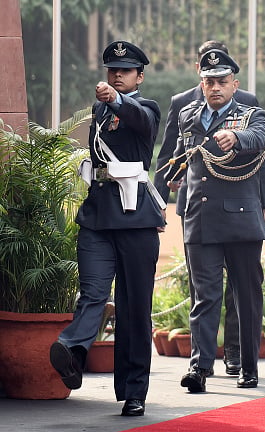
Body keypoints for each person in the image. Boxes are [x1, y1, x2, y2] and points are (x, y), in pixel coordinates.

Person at [49, 40, 164, 416]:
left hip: (134, 217)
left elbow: (139, 121)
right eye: (112, 70)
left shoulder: (145, 107)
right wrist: (109, 102)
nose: (116, 75)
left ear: (139, 76)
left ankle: (134, 391)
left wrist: (116, 100)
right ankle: (72, 351)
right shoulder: (100, 109)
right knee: (92, 292)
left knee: (133, 308)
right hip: (98, 212)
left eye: (125, 71)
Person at [153, 40, 265, 377]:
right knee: (204, 296)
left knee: (245, 297)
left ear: (234, 84)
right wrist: (163, 193)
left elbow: (261, 141)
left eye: (222, 81)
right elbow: (174, 157)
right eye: (209, 81)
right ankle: (200, 367)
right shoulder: (188, 114)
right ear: (200, 81)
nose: (215, 87)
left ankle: (246, 367)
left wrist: (237, 139)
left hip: (240, 218)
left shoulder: (252, 114)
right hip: (200, 217)